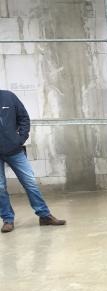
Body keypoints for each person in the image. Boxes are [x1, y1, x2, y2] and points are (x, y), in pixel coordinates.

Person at [0, 89, 66, 233]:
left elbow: (23, 117)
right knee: (0, 187)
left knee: (30, 182)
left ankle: (44, 215)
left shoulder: (8, 97)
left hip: (14, 150)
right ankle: (7, 220)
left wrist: (20, 139)